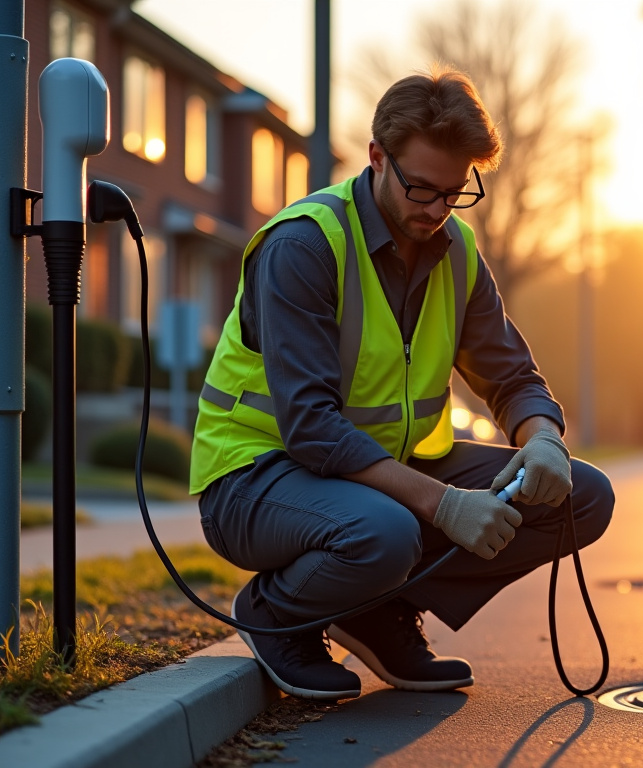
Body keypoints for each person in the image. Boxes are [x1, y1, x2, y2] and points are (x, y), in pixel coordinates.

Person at [188, 67, 614, 701]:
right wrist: (444, 505)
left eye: (454, 192)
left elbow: (511, 375)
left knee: (580, 497)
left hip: (374, 478)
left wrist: (544, 439)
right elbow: (311, 428)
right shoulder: (305, 247)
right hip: (254, 480)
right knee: (385, 533)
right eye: (420, 189)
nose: (437, 210)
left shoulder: (459, 252)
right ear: (376, 157)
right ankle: (275, 613)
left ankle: (371, 609)